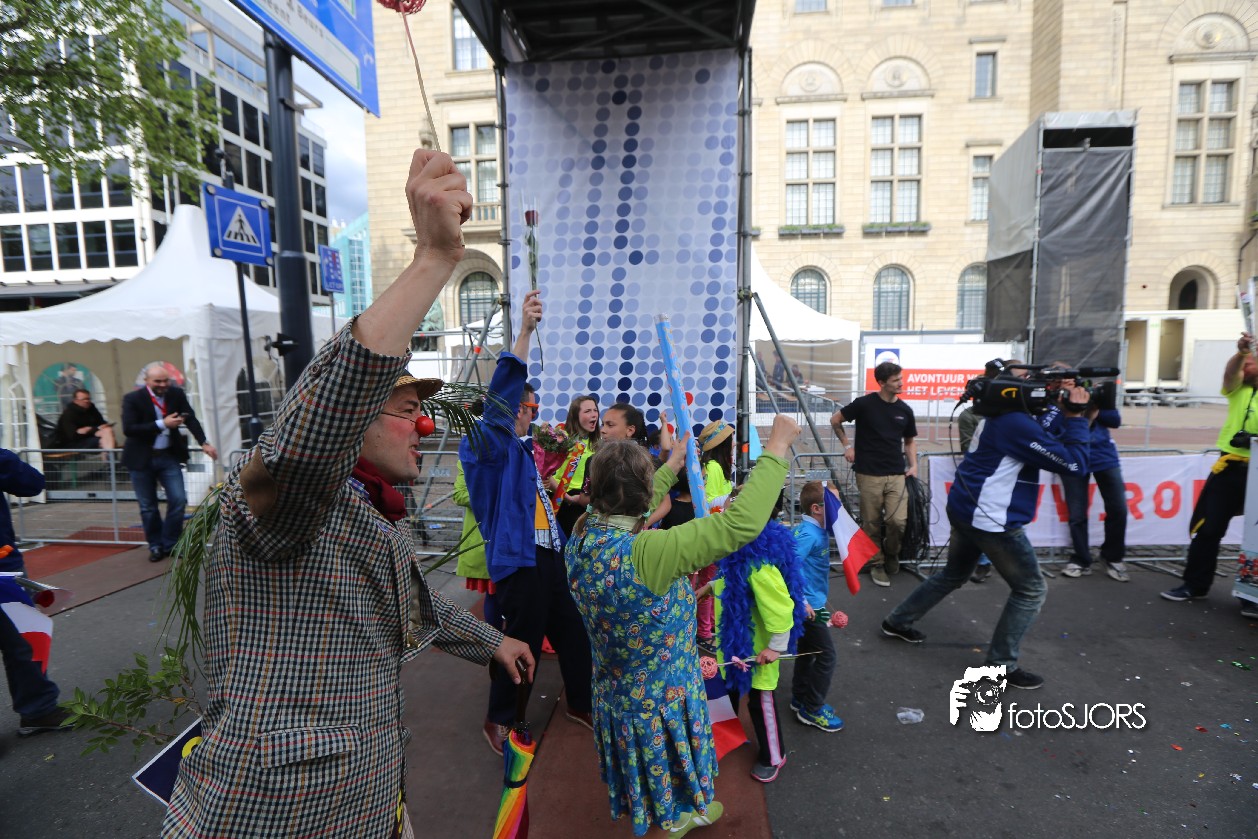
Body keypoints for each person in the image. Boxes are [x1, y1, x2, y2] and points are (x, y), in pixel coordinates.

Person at [161, 148, 535, 839]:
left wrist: (492, 641)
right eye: (406, 411)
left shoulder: (367, 512)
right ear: (354, 422)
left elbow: (412, 606)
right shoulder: (281, 505)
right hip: (280, 822)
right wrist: (433, 260)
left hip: (372, 805)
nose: (424, 426)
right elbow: (315, 425)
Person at [564, 414, 800, 836]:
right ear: (643, 496)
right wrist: (777, 447)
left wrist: (672, 464)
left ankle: (672, 814)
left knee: (650, 774)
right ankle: (674, 821)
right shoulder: (652, 551)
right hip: (664, 697)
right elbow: (740, 526)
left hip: (617, 693)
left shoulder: (581, 535)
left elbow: (625, 505)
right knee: (672, 768)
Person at [880, 374, 1093, 690]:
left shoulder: (1004, 418)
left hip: (968, 509)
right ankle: (1000, 666)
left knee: (953, 574)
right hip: (991, 520)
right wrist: (1075, 417)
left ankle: (897, 621)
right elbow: (1075, 464)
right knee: (1030, 590)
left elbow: (1045, 434)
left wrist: (1064, 409)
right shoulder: (1017, 424)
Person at [459, 289, 594, 757]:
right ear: (513, 407)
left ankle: (581, 702)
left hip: (548, 556)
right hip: (520, 562)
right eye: (530, 408)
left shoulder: (519, 449)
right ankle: (501, 719)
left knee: (574, 631)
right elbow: (500, 401)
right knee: (521, 644)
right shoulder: (484, 446)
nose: (533, 416)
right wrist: (524, 333)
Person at [712, 487, 806, 784]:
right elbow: (729, 582)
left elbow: (780, 607)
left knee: (760, 700)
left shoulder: (758, 561)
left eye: (732, 505)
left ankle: (774, 755)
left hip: (758, 649)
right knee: (726, 691)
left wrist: (776, 647)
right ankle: (724, 737)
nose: (725, 507)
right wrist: (708, 589)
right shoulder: (737, 545)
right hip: (733, 641)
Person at [1162, 331, 1258, 615]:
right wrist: (1241, 352)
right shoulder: (1239, 389)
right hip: (1229, 467)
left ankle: (1252, 596)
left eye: (1250, 362)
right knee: (1207, 528)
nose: (1244, 367)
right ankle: (1195, 585)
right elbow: (1230, 375)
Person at [0, 450, 71, 736]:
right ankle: (38, 708)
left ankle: (38, 709)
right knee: (22, 641)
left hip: (4, 566)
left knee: (24, 640)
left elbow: (31, 483)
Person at [830, 361, 918, 587]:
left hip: (897, 474)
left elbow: (909, 441)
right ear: (881, 383)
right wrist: (847, 446)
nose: (901, 383)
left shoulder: (905, 410)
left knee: (898, 521)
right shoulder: (864, 404)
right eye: (896, 380)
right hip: (868, 474)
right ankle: (877, 563)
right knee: (871, 522)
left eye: (901, 378)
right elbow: (835, 419)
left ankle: (892, 553)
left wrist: (914, 465)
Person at [1039, 364, 1130, 582]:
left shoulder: (1091, 392)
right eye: (1059, 379)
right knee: (1077, 514)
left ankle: (1113, 557)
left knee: (1118, 509)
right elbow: (1048, 430)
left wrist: (1092, 407)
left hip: (1104, 457)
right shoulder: (1049, 401)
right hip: (1071, 458)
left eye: (1069, 378)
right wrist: (1066, 406)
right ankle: (1081, 559)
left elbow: (1115, 421)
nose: (1065, 382)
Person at [121, 365, 217, 562]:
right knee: (148, 506)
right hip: (141, 458)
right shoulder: (133, 399)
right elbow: (129, 429)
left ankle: (171, 543)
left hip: (168, 456)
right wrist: (162, 424)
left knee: (179, 499)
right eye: (158, 381)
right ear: (147, 381)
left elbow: (190, 418)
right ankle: (155, 545)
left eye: (166, 380)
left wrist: (204, 442)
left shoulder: (175, 394)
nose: (163, 385)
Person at [957, 360, 1024, 584]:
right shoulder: (970, 416)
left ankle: (993, 563)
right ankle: (983, 564)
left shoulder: (1013, 412)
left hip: (1008, 478)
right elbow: (968, 448)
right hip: (983, 480)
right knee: (982, 523)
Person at [788, 481, 844, 733]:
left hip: (813, 603)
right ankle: (811, 708)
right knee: (827, 656)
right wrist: (802, 601)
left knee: (808, 651)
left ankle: (800, 697)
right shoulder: (809, 534)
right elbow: (789, 565)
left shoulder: (815, 531)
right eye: (834, 503)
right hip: (809, 608)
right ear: (817, 508)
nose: (839, 507)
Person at [549, 394, 599, 535]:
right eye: (587, 411)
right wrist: (567, 498)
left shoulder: (598, 443)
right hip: (560, 498)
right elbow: (545, 472)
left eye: (595, 410)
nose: (593, 414)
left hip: (585, 500)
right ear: (575, 415)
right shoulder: (562, 439)